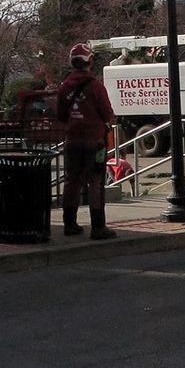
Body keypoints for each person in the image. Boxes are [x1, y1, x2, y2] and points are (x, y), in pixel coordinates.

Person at [56, 42, 119, 240]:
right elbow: (107, 113)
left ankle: (69, 223)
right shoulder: (95, 86)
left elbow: (60, 115)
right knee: (96, 182)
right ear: (89, 60)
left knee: (71, 181)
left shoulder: (64, 86)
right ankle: (98, 226)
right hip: (95, 141)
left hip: (72, 141)